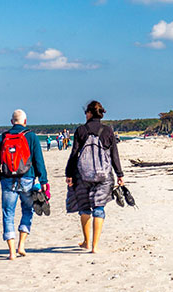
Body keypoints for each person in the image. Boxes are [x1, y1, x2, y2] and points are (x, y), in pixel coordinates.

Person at [65, 101, 125, 253]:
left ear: (90, 113)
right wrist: (119, 174)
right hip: (104, 175)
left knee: (84, 208)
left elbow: (74, 154)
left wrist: (69, 174)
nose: (85, 115)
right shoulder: (107, 130)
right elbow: (114, 155)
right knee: (99, 208)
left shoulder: (81, 130)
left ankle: (86, 241)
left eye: (86, 112)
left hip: (82, 175)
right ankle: (95, 246)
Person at [0, 109, 49, 260]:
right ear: (25, 121)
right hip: (28, 179)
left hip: (8, 179)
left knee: (8, 213)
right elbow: (38, 160)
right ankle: (21, 245)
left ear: (11, 122)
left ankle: (11, 252)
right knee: (27, 210)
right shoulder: (32, 136)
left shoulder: (3, 137)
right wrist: (43, 180)